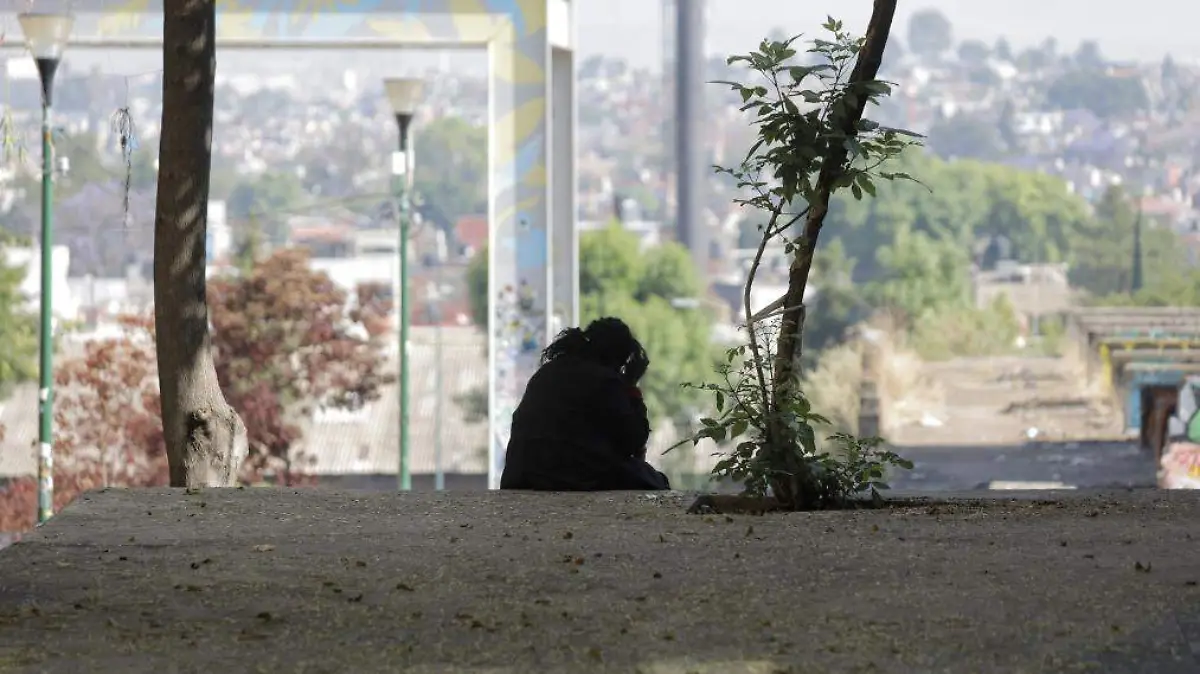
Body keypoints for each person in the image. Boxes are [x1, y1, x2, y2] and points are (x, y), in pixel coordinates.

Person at [500, 317, 671, 491]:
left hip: (521, 475)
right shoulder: (606, 381)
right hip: (570, 478)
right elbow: (634, 439)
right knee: (657, 482)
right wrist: (631, 386)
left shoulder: (549, 371)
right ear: (618, 358)